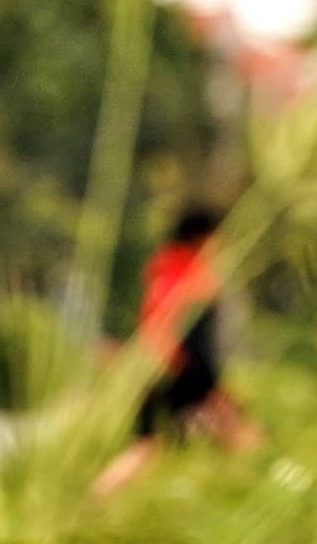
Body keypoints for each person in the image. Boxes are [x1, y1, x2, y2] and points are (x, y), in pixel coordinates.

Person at [93, 207, 256, 495]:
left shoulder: (178, 270)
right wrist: (189, 374)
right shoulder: (178, 272)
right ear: (201, 237)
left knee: (151, 446)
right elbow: (160, 329)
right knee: (238, 436)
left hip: (178, 374)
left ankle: (98, 497)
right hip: (179, 375)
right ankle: (259, 496)